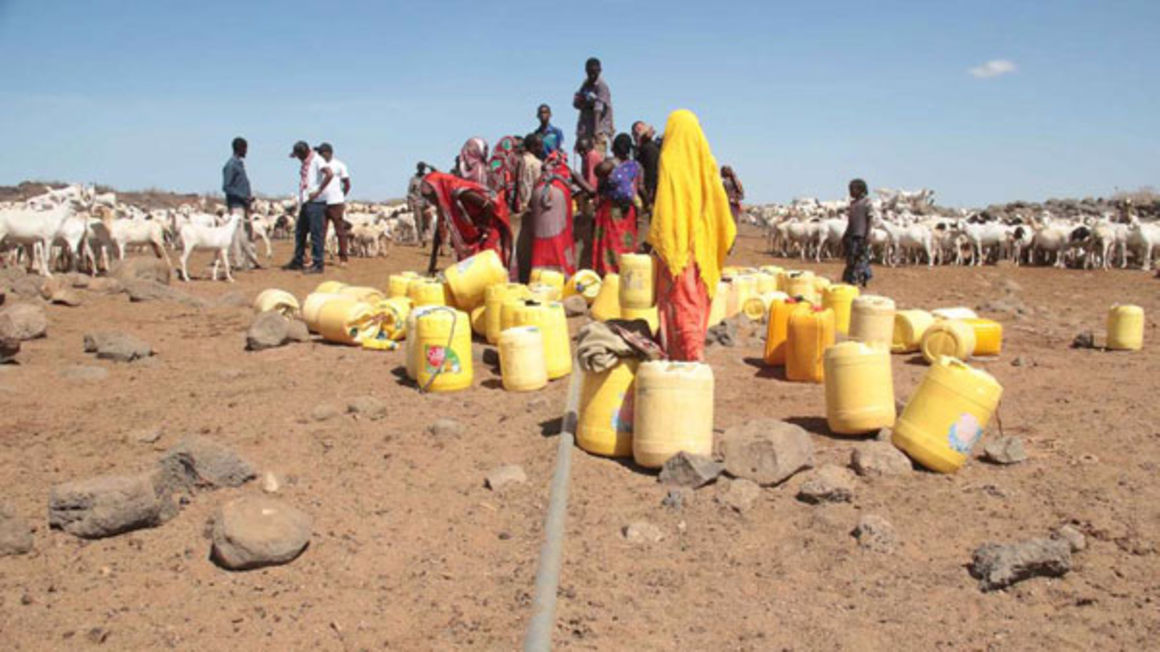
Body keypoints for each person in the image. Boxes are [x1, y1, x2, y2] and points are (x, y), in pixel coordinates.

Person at [648, 110, 736, 362]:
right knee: (694, 304)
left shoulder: (670, 161)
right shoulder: (706, 161)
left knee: (679, 305)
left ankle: (687, 359)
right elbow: (720, 210)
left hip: (678, 248)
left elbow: (665, 209)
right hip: (703, 247)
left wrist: (658, 240)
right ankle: (687, 355)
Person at [421, 170, 514, 275]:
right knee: (468, 267)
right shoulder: (444, 200)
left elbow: (487, 206)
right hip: (476, 225)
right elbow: (439, 229)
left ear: (437, 189)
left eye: (429, 196)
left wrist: (484, 228)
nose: (429, 201)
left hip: (491, 220)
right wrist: (433, 261)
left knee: (487, 259)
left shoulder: (459, 192)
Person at [590, 133, 643, 275]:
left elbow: (598, 179)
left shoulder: (610, 163)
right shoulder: (636, 165)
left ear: (614, 148)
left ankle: (609, 275)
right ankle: (625, 274)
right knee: (626, 243)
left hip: (611, 209)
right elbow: (641, 188)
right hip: (629, 210)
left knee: (610, 243)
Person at [523, 150, 577, 280]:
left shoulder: (541, 178)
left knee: (540, 241)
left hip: (538, 194)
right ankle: (562, 276)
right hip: (559, 194)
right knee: (560, 239)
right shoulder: (565, 174)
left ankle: (538, 275)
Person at [283, 140, 333, 274]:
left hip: (316, 203)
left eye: (298, 155)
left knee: (316, 234)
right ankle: (298, 260)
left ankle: (318, 264)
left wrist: (319, 190)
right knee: (300, 232)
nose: (297, 158)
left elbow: (329, 174)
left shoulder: (317, 160)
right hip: (306, 201)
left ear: (303, 152)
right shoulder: (306, 162)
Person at [221, 137, 261, 270]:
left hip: (244, 204)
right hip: (236, 205)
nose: (246, 151)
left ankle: (250, 261)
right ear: (240, 148)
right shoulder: (231, 165)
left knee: (248, 233)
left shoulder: (239, 164)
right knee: (238, 235)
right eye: (245, 148)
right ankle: (238, 262)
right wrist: (243, 196)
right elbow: (227, 187)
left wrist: (248, 198)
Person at [316, 143, 351, 267]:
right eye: (319, 153)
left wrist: (341, 195)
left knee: (340, 231)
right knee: (321, 231)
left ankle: (343, 258)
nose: (320, 155)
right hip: (321, 202)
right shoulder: (318, 165)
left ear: (329, 152)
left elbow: (346, 183)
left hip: (335, 203)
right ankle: (318, 258)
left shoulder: (339, 165)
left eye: (322, 152)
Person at [572, 57, 613, 155]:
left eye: (595, 72)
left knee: (597, 160)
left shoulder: (602, 86)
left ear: (600, 70)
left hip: (599, 131)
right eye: (590, 72)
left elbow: (598, 109)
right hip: (585, 131)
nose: (592, 74)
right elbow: (577, 103)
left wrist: (596, 131)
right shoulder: (585, 84)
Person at [842, 178, 875, 287]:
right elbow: (850, 221)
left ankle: (861, 278)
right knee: (851, 258)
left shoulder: (867, 202)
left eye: (853, 189)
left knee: (861, 258)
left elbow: (870, 219)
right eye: (850, 189)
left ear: (861, 190)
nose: (850, 192)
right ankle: (851, 279)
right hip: (852, 234)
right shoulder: (852, 204)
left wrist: (868, 234)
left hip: (861, 235)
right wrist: (845, 234)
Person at [632, 121, 661, 212]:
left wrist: (648, 193)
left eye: (640, 130)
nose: (638, 133)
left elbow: (651, 171)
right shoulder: (641, 149)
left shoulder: (648, 149)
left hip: (650, 191)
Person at [407, 163, 433, 246]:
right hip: (417, 203)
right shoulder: (413, 179)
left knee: (427, 222)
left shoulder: (428, 178)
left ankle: (425, 236)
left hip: (427, 203)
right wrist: (410, 204)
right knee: (418, 222)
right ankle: (420, 239)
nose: (422, 169)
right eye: (420, 168)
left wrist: (430, 201)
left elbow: (431, 190)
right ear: (417, 168)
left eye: (423, 168)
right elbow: (410, 192)